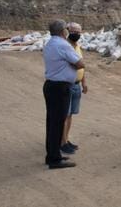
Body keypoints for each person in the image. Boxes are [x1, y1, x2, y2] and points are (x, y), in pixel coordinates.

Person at [42, 19, 84, 169]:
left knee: (52, 123)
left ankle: (52, 155)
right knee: (58, 123)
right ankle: (54, 159)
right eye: (67, 29)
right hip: (60, 87)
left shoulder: (50, 43)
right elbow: (80, 63)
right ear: (63, 31)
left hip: (51, 86)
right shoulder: (62, 45)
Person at [60, 22, 88, 155]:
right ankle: (62, 142)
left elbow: (81, 66)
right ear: (67, 31)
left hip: (77, 84)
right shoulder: (65, 47)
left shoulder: (77, 47)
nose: (76, 34)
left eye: (78, 32)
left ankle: (66, 139)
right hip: (68, 84)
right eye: (74, 31)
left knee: (70, 115)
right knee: (65, 114)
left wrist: (84, 82)